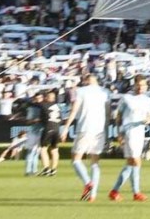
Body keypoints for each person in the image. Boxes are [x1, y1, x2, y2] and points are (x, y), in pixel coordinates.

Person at [62, 73, 110, 202]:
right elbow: (108, 113)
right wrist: (107, 131)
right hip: (99, 130)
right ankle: (92, 195)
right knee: (95, 162)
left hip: (85, 128)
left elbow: (74, 110)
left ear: (86, 80)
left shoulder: (81, 91)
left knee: (76, 159)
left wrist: (66, 127)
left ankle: (88, 182)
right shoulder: (104, 91)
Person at [109, 75, 150, 202]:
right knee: (136, 161)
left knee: (130, 164)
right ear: (134, 85)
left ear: (146, 86)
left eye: (143, 85)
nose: (140, 88)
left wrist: (149, 120)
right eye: (138, 85)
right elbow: (118, 116)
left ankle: (114, 191)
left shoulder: (148, 100)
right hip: (129, 132)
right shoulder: (126, 98)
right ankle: (136, 192)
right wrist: (119, 133)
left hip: (140, 132)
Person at [38, 91, 62, 176]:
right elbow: (61, 118)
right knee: (54, 149)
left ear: (47, 97)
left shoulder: (43, 105)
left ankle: (46, 168)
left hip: (48, 127)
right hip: (57, 128)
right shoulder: (58, 107)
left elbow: (42, 118)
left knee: (43, 148)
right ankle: (54, 169)